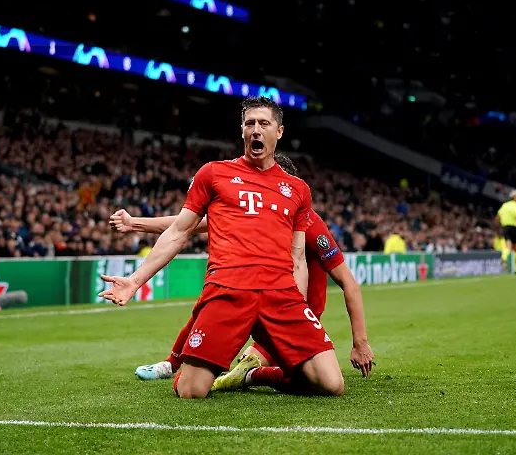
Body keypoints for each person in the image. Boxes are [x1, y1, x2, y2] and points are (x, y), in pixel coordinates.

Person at [98, 96, 344, 398]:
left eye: (264, 123)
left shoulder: (297, 189)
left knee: (332, 383)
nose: (256, 129)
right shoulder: (213, 174)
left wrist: (299, 303)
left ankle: (254, 376)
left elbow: (298, 258)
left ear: (279, 132)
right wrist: (135, 281)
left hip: (281, 295)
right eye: (250, 123)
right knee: (193, 391)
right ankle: (183, 371)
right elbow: (179, 231)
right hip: (228, 290)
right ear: (242, 130)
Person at [111, 154, 374, 386]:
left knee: (255, 366)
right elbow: (190, 223)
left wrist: (360, 342)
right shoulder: (252, 210)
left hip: (289, 310)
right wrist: (136, 224)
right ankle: (173, 363)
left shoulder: (309, 224)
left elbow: (346, 282)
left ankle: (250, 377)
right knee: (210, 304)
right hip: (247, 293)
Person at [495, 191, 516, 274]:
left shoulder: (504, 205)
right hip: (514, 228)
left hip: (505, 227)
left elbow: (497, 217)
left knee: (508, 246)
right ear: (515, 198)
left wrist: (500, 225)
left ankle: (504, 257)